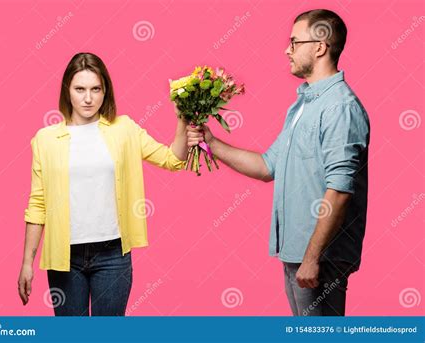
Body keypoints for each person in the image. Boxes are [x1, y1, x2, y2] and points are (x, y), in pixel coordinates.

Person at [187, 9, 370, 316]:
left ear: (320, 46)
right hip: (296, 253)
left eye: (295, 42)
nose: (287, 49)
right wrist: (211, 142)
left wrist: (312, 256)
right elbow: (266, 166)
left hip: (319, 259)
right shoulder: (303, 105)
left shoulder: (340, 108)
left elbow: (339, 191)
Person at [18, 52, 189, 316]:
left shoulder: (124, 130)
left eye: (95, 89)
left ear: (105, 90)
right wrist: (27, 262)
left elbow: (172, 160)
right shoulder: (46, 139)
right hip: (65, 258)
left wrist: (183, 119)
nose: (88, 98)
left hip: (113, 256)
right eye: (80, 89)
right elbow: (37, 204)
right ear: (67, 91)